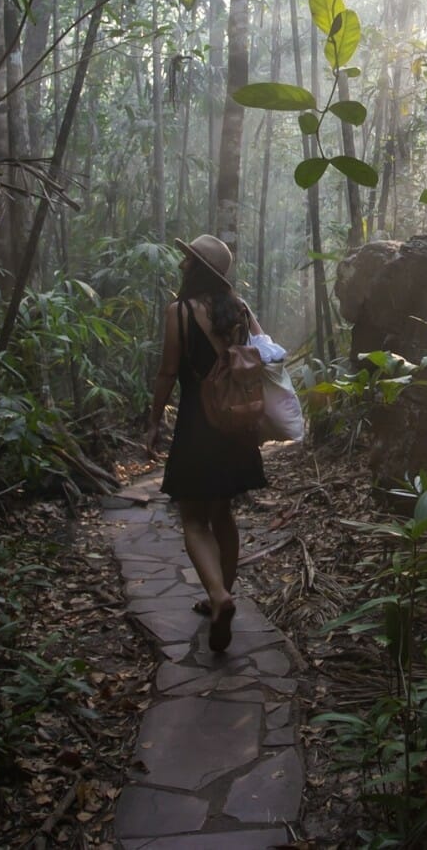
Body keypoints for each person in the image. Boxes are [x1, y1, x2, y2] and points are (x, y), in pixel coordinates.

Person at [145, 233, 267, 651]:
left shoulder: (178, 313)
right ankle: (219, 595)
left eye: (188, 261)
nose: (182, 266)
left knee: (194, 519)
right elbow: (265, 352)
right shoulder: (240, 310)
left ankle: (218, 595)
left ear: (197, 270)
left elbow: (167, 372)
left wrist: (154, 422)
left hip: (198, 425)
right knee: (224, 517)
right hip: (237, 424)